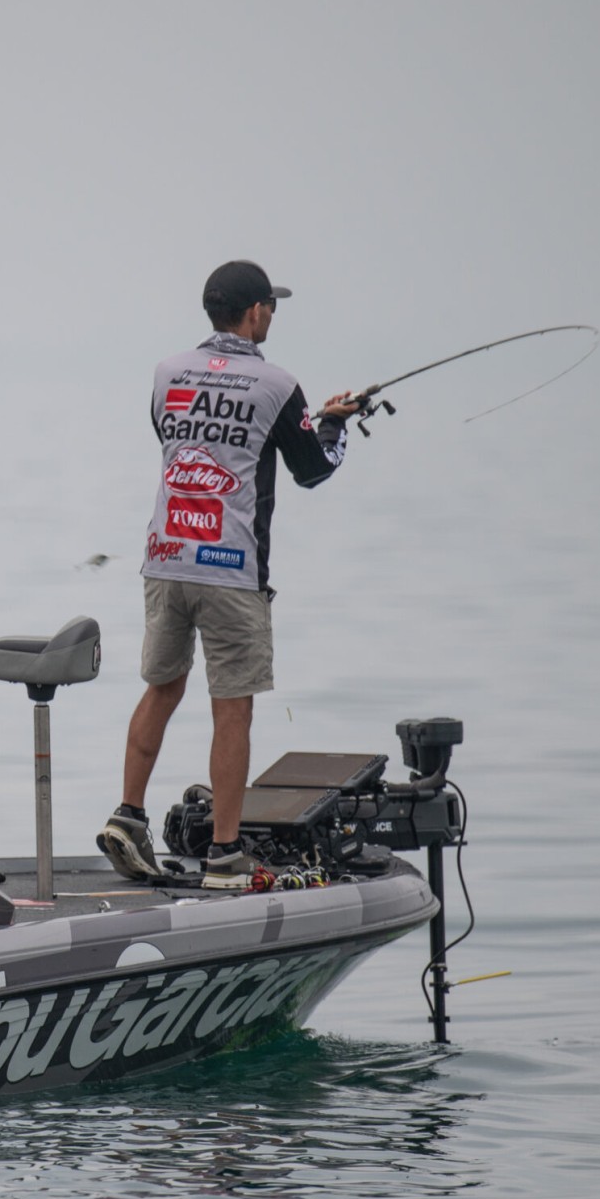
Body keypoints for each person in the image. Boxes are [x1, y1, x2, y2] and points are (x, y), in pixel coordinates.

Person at [98, 260, 359, 890]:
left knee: (162, 688)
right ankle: (224, 853)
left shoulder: (167, 374)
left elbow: (172, 435)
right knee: (231, 709)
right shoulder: (277, 384)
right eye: (272, 306)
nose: (273, 315)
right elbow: (314, 467)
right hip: (230, 569)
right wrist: (333, 423)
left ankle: (127, 817)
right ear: (254, 313)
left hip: (165, 559)